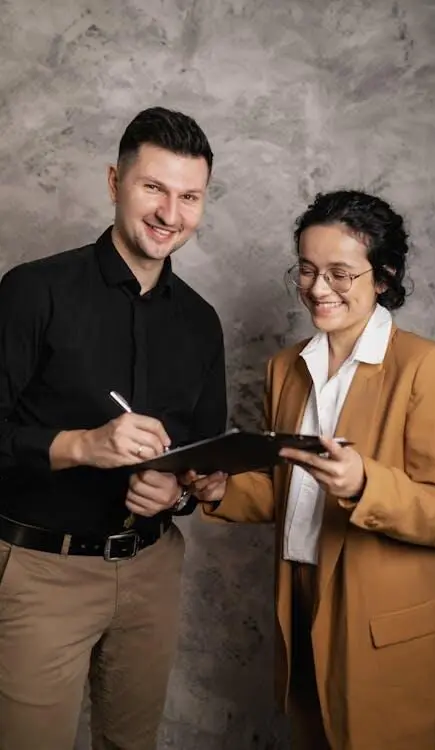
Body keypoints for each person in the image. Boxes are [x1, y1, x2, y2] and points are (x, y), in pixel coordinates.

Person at [188, 190, 435, 750]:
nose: (319, 289)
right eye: (307, 270)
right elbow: (288, 491)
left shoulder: (426, 367)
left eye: (341, 274)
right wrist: (223, 489)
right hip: (299, 602)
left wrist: (365, 483)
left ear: (385, 276)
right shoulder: (286, 368)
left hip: (387, 628)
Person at [0, 107, 226, 750]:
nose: (169, 213)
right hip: (43, 571)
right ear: (113, 182)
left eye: (189, 196)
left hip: (153, 570)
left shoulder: (201, 322)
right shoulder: (31, 291)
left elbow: (202, 462)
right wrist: (82, 446)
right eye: (153, 188)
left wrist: (179, 493)